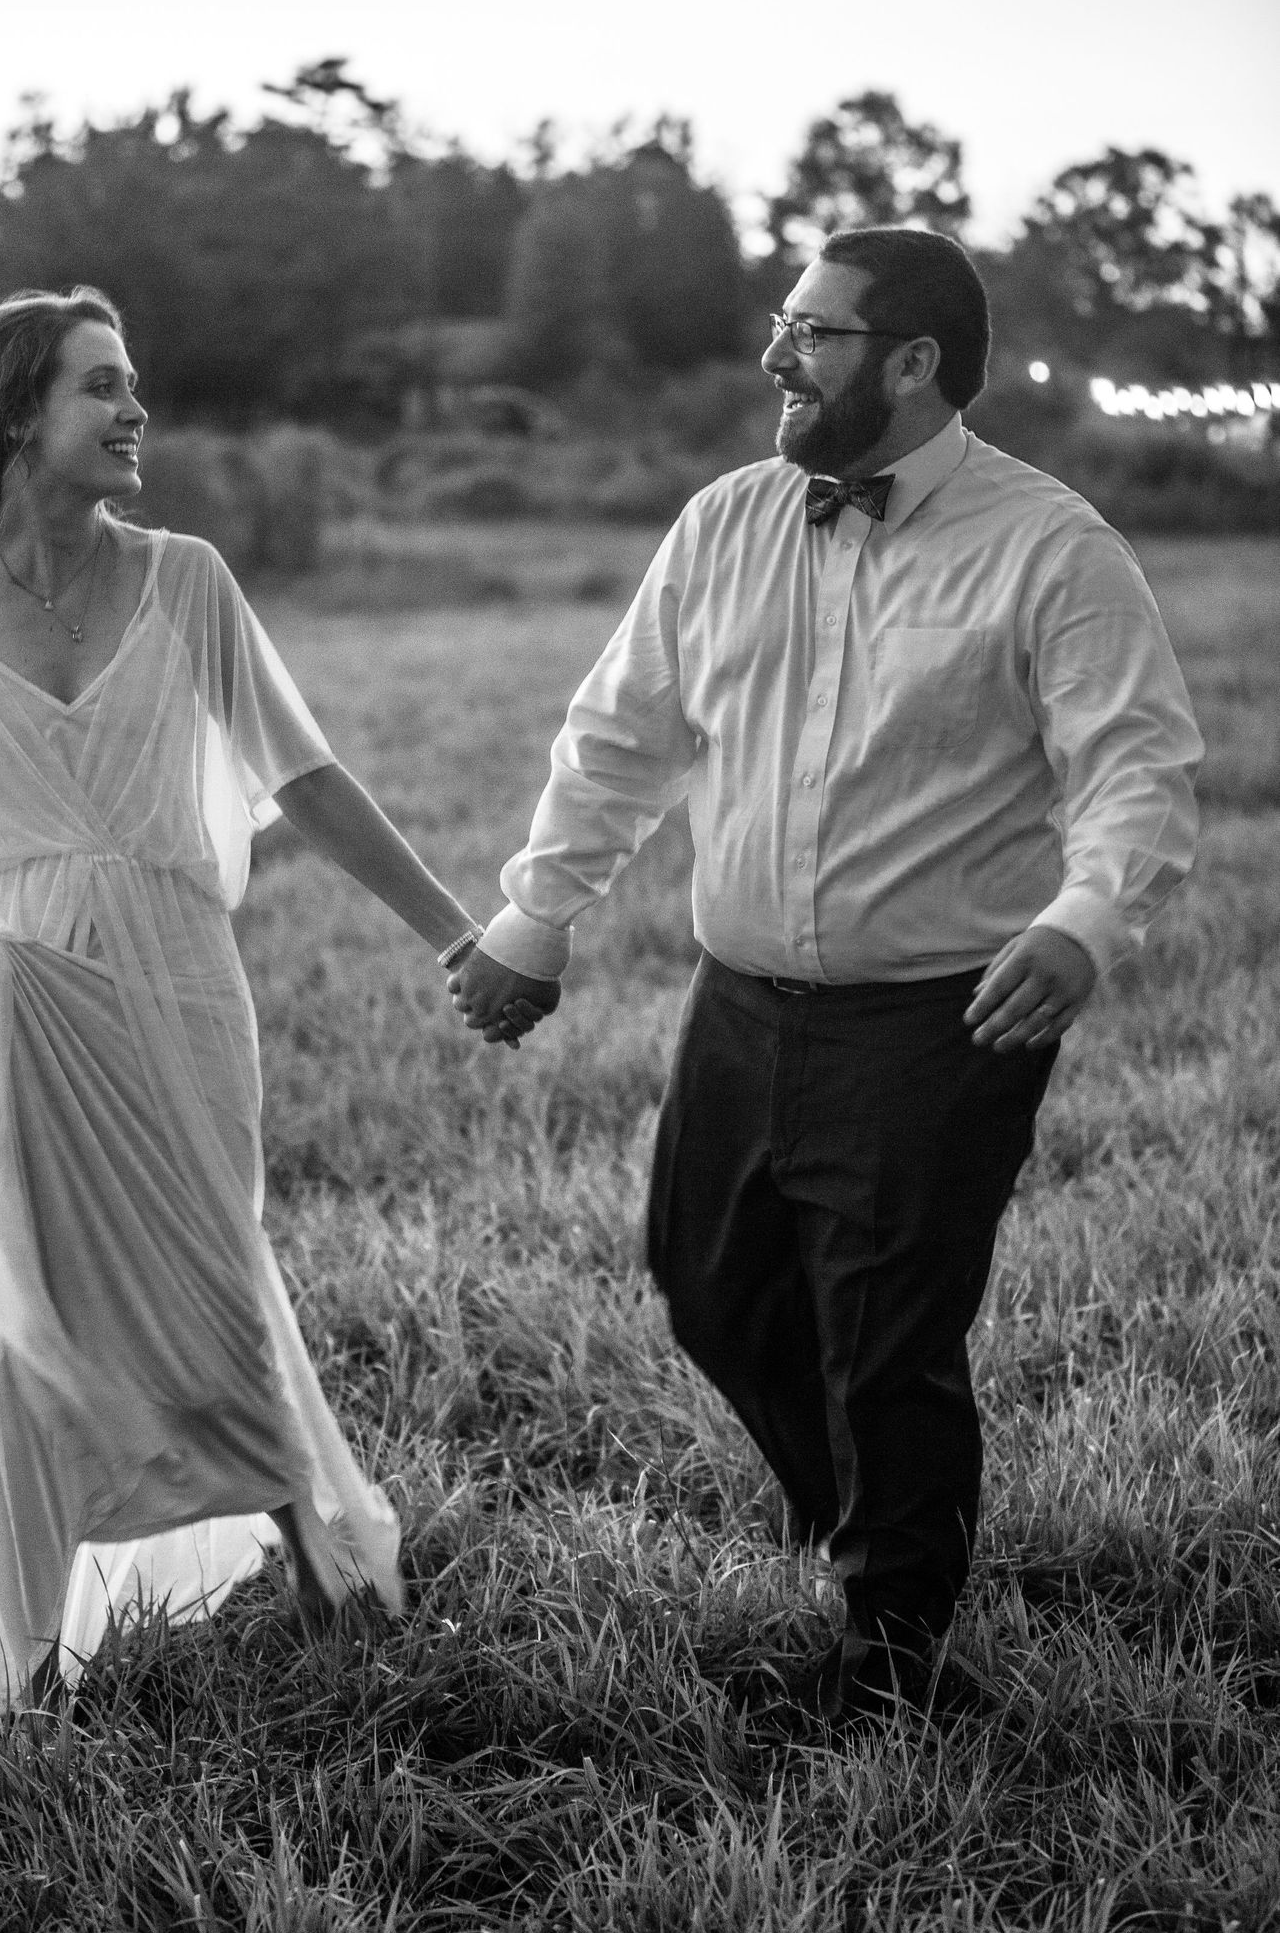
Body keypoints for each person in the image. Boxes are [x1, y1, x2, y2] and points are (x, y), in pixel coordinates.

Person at [451, 227, 1203, 1727]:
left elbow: (1139, 769)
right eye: (786, 326)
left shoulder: (1053, 548)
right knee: (711, 1286)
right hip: (737, 1002)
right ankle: (852, 1511)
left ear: (915, 362)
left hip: (940, 1019)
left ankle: (897, 1654)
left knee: (887, 1338)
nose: (776, 356)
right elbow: (621, 740)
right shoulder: (725, 522)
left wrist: (1080, 921)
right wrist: (539, 918)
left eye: (814, 331)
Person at [0, 286, 532, 1711]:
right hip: (13, 997)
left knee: (216, 1274)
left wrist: (459, 931)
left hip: (175, 981)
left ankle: (329, 1577)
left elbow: (308, 778)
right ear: (18, 415)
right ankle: (24, 1666)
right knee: (29, 1314)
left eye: (133, 383)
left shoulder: (189, 578)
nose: (136, 409)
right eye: (104, 386)